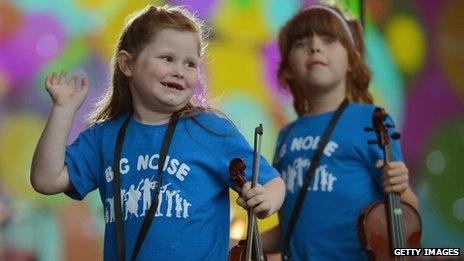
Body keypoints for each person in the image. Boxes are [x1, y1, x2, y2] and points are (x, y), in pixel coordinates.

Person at [30, 5, 285, 260]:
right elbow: (46, 180)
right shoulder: (103, 137)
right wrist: (63, 111)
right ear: (127, 64)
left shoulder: (210, 129)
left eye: (190, 63)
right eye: (167, 58)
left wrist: (266, 201)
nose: (180, 71)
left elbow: (273, 182)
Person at [259, 4, 419, 260]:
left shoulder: (371, 120)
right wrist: (239, 241)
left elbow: (408, 215)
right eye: (301, 43)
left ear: (351, 61)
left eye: (329, 39)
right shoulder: (286, 136)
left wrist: (400, 189)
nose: (314, 46)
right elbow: (293, 230)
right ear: (286, 67)